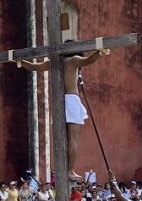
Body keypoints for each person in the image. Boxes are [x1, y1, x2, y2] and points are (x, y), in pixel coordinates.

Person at [16, 46, 109, 181]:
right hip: (71, 98)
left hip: (58, 101)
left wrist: (21, 62)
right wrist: (101, 51)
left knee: (62, 138)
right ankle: (69, 171)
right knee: (73, 138)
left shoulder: (53, 62)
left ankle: (63, 169)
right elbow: (89, 60)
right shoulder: (73, 60)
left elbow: (34, 67)